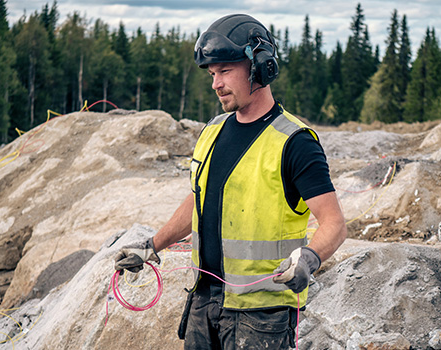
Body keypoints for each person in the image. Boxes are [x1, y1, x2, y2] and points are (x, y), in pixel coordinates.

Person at [114, 13, 347, 350]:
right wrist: (153, 245)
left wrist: (310, 258)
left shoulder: (294, 141)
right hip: (204, 300)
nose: (215, 84)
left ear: (260, 67)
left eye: (224, 71)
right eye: (212, 74)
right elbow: (199, 202)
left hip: (262, 314)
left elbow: (335, 222)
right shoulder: (212, 132)